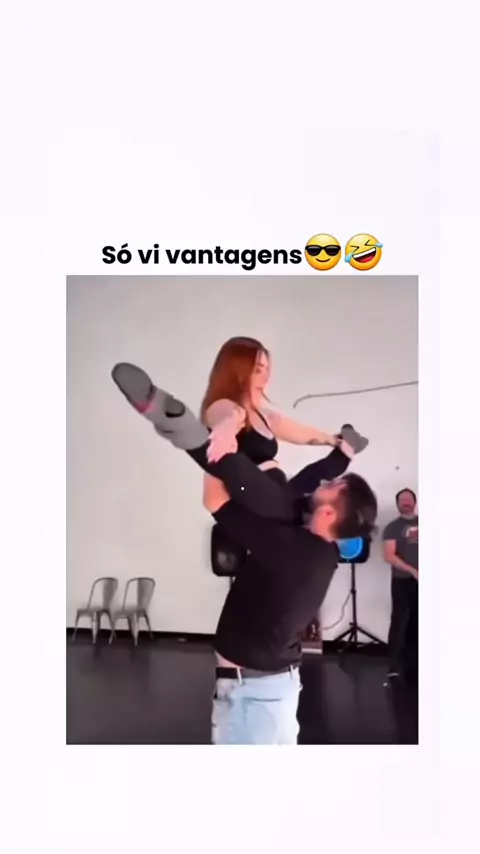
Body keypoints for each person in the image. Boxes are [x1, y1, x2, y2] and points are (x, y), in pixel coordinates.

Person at [111, 362, 378, 744]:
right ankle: (186, 431)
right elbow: (304, 483)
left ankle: (184, 429)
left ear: (329, 515)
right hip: (263, 691)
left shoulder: (292, 546)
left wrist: (222, 442)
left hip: (255, 697)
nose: (323, 487)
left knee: (281, 496)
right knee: (285, 496)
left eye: (331, 488)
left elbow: (216, 501)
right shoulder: (318, 547)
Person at [201, 337, 369, 509]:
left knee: (312, 484)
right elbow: (225, 414)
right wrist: (226, 429)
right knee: (313, 480)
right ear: (236, 372)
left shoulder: (264, 416)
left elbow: (301, 433)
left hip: (275, 497)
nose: (265, 378)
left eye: (267, 370)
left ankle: (346, 448)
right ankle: (346, 452)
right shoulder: (223, 406)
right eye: (257, 370)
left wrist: (333, 440)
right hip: (256, 501)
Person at [382, 489, 419, 686]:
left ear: (415, 501)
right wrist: (413, 571)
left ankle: (415, 662)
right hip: (402, 580)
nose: (406, 501)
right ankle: (394, 667)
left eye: (409, 498)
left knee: (418, 622)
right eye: (402, 499)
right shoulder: (392, 528)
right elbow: (389, 555)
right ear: (397, 504)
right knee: (399, 622)